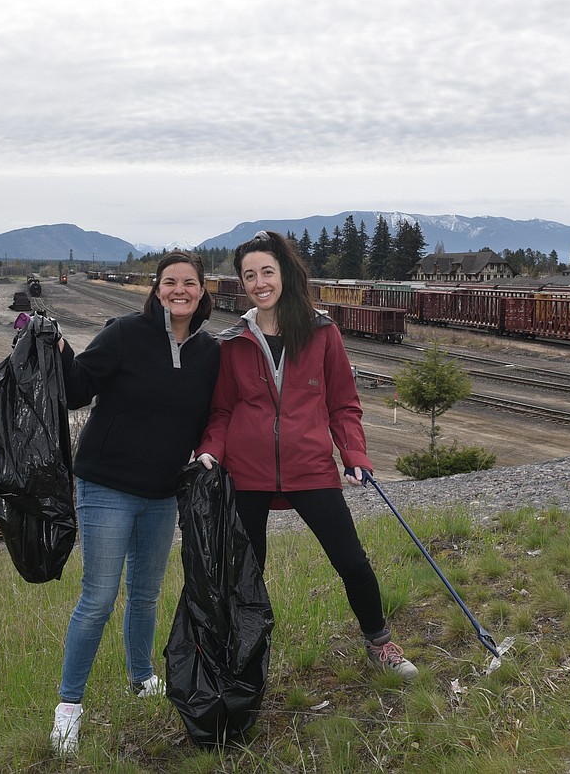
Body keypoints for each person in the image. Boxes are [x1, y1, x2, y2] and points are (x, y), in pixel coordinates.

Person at [196, 230, 418, 681]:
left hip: (311, 468)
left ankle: (379, 644)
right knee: (246, 573)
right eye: (249, 275)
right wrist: (208, 452)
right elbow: (221, 410)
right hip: (248, 473)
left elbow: (343, 403)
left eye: (267, 272)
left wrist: (354, 453)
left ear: (285, 275)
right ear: (242, 282)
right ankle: (245, 661)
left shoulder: (321, 332)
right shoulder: (232, 340)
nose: (259, 282)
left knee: (351, 560)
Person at [50, 251, 220, 755]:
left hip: (162, 491)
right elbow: (79, 388)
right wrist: (59, 347)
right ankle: (69, 707)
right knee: (99, 598)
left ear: (202, 290)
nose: (179, 291)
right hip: (106, 485)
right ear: (156, 288)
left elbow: (217, 412)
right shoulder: (125, 332)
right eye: (170, 282)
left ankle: (141, 677)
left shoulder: (209, 351)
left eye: (189, 283)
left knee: (145, 595)